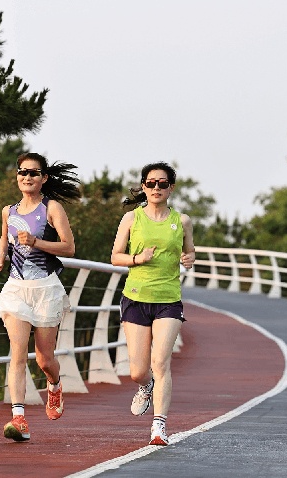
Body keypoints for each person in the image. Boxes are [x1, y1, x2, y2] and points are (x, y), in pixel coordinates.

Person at [0, 152, 81, 442]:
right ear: (17, 176)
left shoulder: (51, 208)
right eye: (22, 172)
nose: (27, 177)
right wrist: (1, 256)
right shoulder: (8, 211)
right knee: (18, 353)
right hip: (17, 289)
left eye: (33, 173)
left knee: (44, 359)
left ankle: (54, 385)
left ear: (43, 178)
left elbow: (69, 248)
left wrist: (36, 242)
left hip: (46, 289)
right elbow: (5, 239)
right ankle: (18, 418)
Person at [110, 162, 196, 446]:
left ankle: (159, 426)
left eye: (162, 183)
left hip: (168, 300)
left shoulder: (182, 221)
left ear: (171, 188)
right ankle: (145, 386)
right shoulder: (131, 219)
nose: (156, 188)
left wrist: (189, 259)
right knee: (138, 370)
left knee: (160, 362)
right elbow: (115, 257)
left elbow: (190, 251)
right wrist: (138, 259)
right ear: (143, 186)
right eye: (151, 183)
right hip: (136, 298)